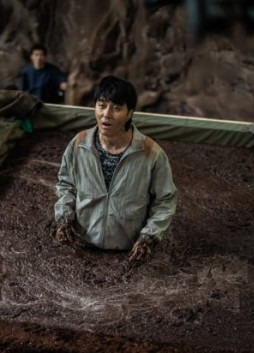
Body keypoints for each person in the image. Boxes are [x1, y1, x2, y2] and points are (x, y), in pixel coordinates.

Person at [54, 76, 178, 263]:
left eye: (117, 108)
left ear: (130, 113)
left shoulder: (151, 154)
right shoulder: (79, 144)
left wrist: (148, 237)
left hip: (129, 251)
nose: (106, 114)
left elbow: (165, 200)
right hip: (82, 245)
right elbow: (66, 184)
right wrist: (64, 218)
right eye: (102, 105)